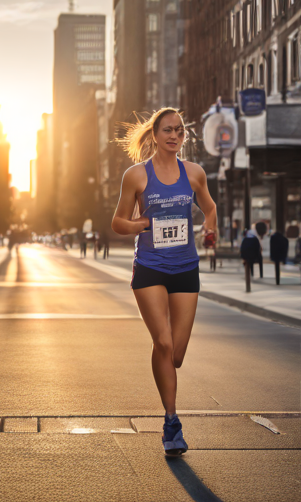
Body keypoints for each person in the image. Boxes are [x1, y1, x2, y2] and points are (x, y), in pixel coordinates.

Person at [112, 107, 217, 457]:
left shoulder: (195, 173)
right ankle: (171, 422)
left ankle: (170, 399)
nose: (174, 135)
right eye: (167, 130)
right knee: (163, 342)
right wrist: (144, 223)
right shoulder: (137, 176)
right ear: (154, 136)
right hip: (150, 268)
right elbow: (118, 223)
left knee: (178, 353)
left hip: (186, 267)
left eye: (180, 130)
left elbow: (210, 208)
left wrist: (211, 229)